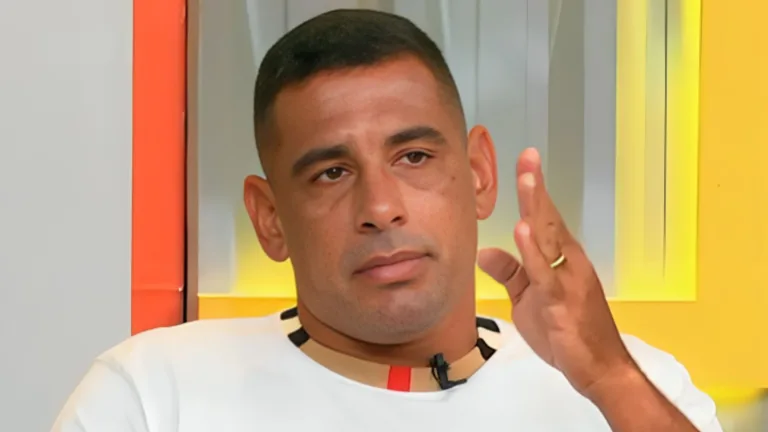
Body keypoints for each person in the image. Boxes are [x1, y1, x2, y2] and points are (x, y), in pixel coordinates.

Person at [52, 9, 722, 432]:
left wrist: (609, 380)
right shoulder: (150, 396)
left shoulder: (635, 387)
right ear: (270, 219)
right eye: (331, 172)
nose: (380, 207)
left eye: (414, 156)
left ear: (479, 174)